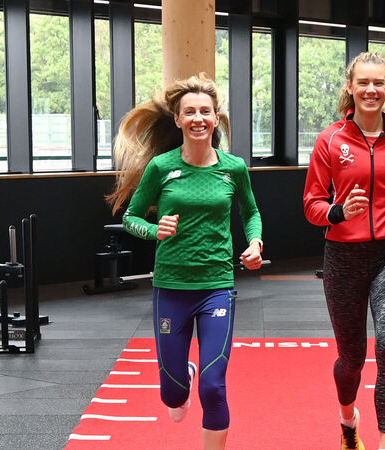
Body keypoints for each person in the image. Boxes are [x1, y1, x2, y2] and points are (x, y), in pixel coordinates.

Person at [107, 74, 263, 450]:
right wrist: (154, 230)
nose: (198, 118)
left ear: (216, 118)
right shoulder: (161, 167)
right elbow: (131, 218)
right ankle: (183, 377)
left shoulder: (234, 168)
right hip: (171, 288)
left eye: (205, 111)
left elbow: (251, 212)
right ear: (177, 119)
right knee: (173, 394)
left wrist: (255, 242)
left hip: (216, 287)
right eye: (189, 112)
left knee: (214, 386)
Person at [302, 52, 385, 450]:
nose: (371, 90)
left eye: (378, 83)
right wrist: (339, 212)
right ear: (351, 86)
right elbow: (311, 204)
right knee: (352, 359)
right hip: (343, 257)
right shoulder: (330, 140)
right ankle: (348, 420)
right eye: (363, 82)